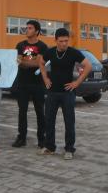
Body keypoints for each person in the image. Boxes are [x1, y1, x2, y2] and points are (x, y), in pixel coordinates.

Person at [38, 28, 91, 160]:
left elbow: (88, 66)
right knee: (49, 120)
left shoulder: (73, 52)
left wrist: (77, 83)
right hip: (52, 92)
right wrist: (45, 78)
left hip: (68, 93)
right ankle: (50, 147)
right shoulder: (50, 51)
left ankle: (69, 149)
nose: (64, 44)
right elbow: (41, 62)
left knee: (69, 122)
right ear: (55, 40)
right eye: (61, 41)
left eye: (66, 41)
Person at [12, 20, 48, 149]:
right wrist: (31, 61)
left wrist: (26, 62)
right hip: (22, 83)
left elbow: (39, 63)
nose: (27, 30)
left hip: (38, 84)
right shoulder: (20, 45)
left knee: (40, 112)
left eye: (30, 28)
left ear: (37, 31)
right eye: (26, 28)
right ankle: (21, 138)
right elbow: (18, 61)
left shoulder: (43, 46)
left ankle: (41, 139)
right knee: (22, 112)